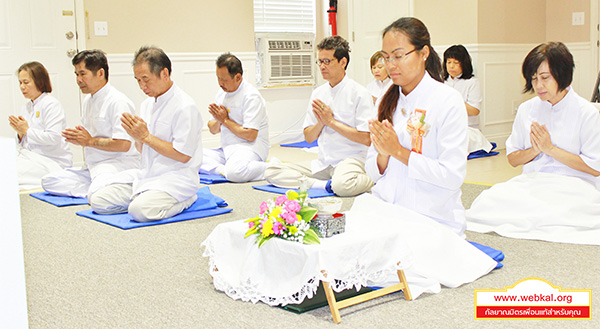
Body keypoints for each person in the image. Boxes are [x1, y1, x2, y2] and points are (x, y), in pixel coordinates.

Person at [466, 42, 600, 245]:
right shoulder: (527, 109)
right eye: (534, 78)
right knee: (488, 201)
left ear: (562, 75)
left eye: (545, 78)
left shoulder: (586, 112)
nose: (538, 86)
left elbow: (594, 168)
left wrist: (551, 149)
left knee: (553, 211)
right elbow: (512, 159)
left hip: (575, 185)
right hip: (534, 181)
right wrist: (535, 150)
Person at [365, 17, 468, 237]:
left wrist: (399, 152)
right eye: (386, 57)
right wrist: (383, 156)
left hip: (430, 214)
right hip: (386, 207)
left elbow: (452, 176)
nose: (391, 65)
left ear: (424, 53)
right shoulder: (385, 97)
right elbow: (371, 171)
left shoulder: (447, 100)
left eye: (399, 56)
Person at [88, 46, 203, 222]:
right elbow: (144, 149)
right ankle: (147, 199)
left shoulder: (185, 106)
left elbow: (183, 155)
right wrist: (136, 136)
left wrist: (146, 137)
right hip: (148, 175)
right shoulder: (147, 105)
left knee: (139, 211)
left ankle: (187, 199)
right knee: (98, 200)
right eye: (138, 80)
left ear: (164, 74)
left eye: (145, 79)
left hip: (177, 178)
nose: (142, 86)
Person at [264, 36, 374, 197]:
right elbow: (309, 137)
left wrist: (331, 122)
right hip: (324, 162)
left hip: (351, 159)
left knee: (342, 186)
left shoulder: (359, 93)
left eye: (327, 62)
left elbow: (366, 138)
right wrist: (321, 123)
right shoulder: (318, 93)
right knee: (271, 171)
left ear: (343, 62)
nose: (322, 66)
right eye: (320, 62)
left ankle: (373, 179)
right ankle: (321, 185)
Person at [41, 50, 138, 198]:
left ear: (100, 73)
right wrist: (79, 139)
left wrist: (89, 141)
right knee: (49, 181)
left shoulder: (118, 102)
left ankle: (114, 188)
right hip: (93, 167)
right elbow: (88, 138)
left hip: (116, 165)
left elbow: (124, 145)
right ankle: (102, 189)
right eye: (76, 74)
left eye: (82, 74)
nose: (78, 79)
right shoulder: (88, 100)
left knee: (97, 193)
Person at [199, 53, 269, 182]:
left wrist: (225, 120)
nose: (220, 83)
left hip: (250, 148)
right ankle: (224, 170)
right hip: (227, 150)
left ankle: (272, 168)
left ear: (238, 77)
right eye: (218, 78)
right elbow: (212, 129)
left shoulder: (251, 96)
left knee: (236, 172)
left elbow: (250, 135)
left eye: (224, 79)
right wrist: (219, 120)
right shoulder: (222, 94)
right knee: (192, 155)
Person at [9, 62, 72, 189]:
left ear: (39, 81)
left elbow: (53, 138)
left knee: (10, 174)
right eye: (20, 83)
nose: (22, 87)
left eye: (26, 82)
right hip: (31, 157)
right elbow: (26, 140)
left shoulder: (51, 105)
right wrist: (20, 134)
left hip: (50, 161)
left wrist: (26, 131)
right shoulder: (26, 107)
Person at [443, 45, 493, 154]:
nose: (451, 66)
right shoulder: (442, 82)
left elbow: (475, 110)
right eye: (449, 62)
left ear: (463, 64)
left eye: (456, 63)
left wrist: (452, 100)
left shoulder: (472, 82)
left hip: (467, 128)